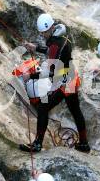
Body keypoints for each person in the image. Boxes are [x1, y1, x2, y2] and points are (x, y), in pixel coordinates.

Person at [20, 13, 91, 153]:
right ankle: (84, 144)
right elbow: (53, 51)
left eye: (44, 33)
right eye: (42, 33)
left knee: (43, 107)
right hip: (71, 77)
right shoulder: (62, 36)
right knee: (75, 111)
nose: (43, 35)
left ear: (51, 28)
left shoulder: (55, 44)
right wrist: (36, 48)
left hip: (64, 80)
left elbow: (51, 71)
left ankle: (37, 144)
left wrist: (31, 76)